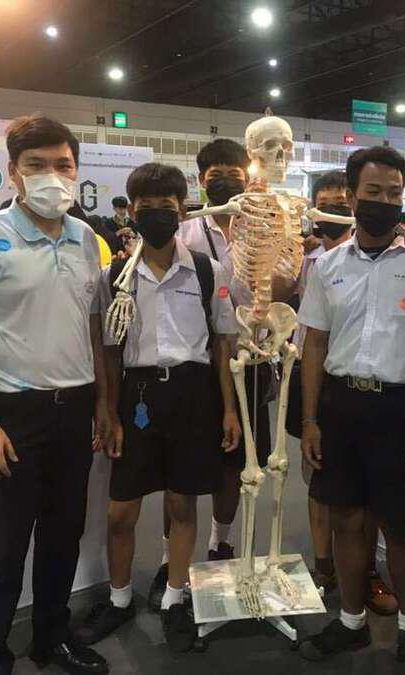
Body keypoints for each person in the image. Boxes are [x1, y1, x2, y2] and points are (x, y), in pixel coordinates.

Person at [0, 115, 110, 675]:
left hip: (74, 408)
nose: (52, 176)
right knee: (4, 545)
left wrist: (102, 403)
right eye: (36, 165)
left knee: (63, 535)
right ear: (13, 172)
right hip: (13, 414)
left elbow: (92, 326)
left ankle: (51, 638)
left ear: (77, 171)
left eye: (63, 165)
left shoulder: (86, 239)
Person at [298, 146, 405, 672]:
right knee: (346, 519)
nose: (384, 201)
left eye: (394, 193)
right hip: (341, 405)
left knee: (399, 524)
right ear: (351, 195)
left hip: (400, 409)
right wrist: (310, 419)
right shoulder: (327, 266)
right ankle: (350, 620)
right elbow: (314, 344)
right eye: (373, 192)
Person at [76, 163, 241, 653]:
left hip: (193, 396)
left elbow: (223, 344)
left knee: (181, 504)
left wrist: (229, 410)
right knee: (121, 510)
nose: (156, 214)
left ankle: (174, 597)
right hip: (138, 397)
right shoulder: (116, 276)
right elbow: (108, 350)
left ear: (182, 209)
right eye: (145, 206)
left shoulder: (208, 271)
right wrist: (108, 410)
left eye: (166, 206)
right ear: (132, 211)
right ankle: (120, 598)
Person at [292, 170, 398, 616]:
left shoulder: (397, 255)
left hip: (369, 383)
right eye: (326, 203)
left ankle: (365, 571)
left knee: (367, 495)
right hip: (316, 376)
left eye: (339, 202)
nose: (334, 210)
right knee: (320, 480)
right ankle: (324, 567)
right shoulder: (308, 260)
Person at [176, 138, 272, 570]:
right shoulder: (185, 230)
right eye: (216, 174)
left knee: (236, 462)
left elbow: (284, 284)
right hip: (200, 363)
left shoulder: (264, 227)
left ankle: (221, 542)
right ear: (201, 180)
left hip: (252, 360)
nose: (227, 181)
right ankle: (171, 559)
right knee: (184, 463)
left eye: (235, 173)